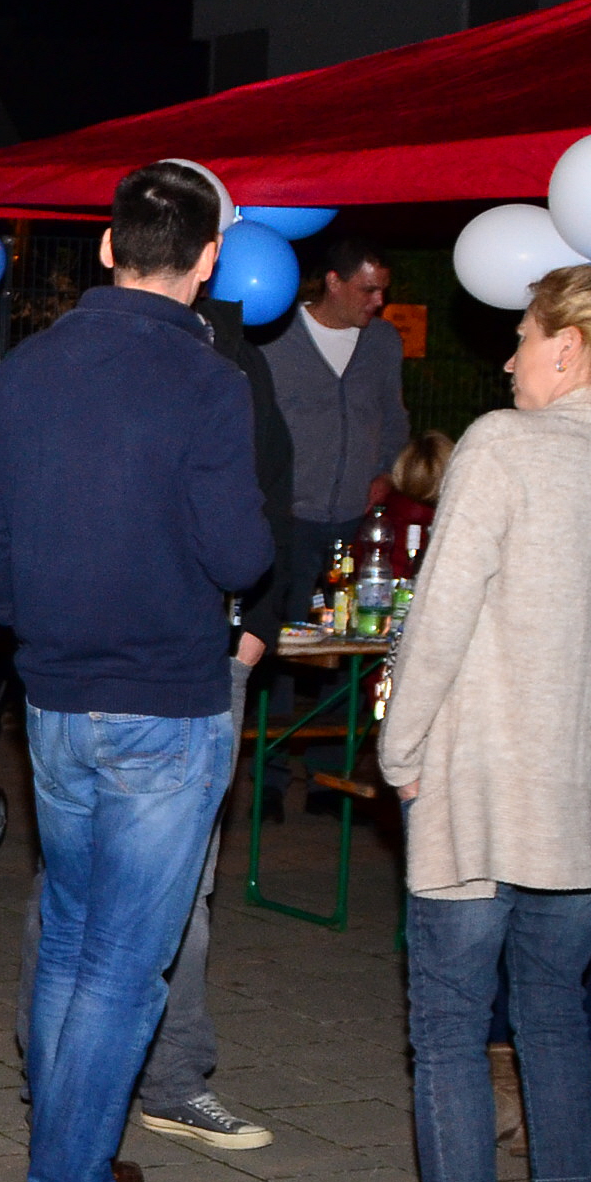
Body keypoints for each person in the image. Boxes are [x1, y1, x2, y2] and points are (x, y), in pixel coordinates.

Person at [335, 264, 591, 1182]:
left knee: (451, 1019)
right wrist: (585, 716)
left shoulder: (503, 445)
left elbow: (439, 619)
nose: (507, 360)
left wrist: (398, 748)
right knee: (553, 1012)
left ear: (569, 349)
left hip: (483, 778)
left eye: (523, 337)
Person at [0, 162, 275, 1182]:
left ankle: (69, 1143)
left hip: (56, 698)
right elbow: (240, 553)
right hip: (165, 700)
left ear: (108, 247)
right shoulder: (209, 382)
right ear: (210, 259)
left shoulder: (25, 370)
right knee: (122, 961)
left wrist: (49, 635)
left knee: (68, 937)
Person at [259, 230, 408, 809]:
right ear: (334, 283)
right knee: (280, 647)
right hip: (289, 519)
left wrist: (385, 471)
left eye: (383, 290)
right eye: (368, 290)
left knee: (349, 645)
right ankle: (269, 778)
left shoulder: (383, 343)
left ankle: (329, 774)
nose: (378, 301)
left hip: (354, 519)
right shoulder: (276, 338)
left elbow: (393, 416)